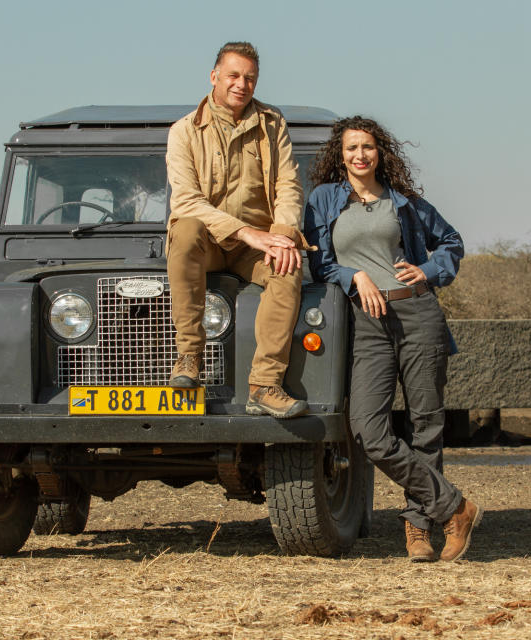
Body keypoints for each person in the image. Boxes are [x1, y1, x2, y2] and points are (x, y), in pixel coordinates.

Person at [303, 116, 482, 562]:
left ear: (380, 153)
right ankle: (454, 508)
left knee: (426, 425)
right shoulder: (324, 200)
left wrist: (429, 270)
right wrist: (352, 275)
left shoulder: (404, 203)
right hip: (367, 320)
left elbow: (452, 242)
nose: (359, 155)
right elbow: (320, 262)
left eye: (367, 147)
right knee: (367, 429)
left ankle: (419, 529)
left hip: (416, 311)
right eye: (351, 148)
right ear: (339, 155)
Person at [165, 41, 311, 419]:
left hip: (256, 245)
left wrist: (281, 234)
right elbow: (185, 201)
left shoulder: (273, 123)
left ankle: (265, 384)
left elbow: (288, 186)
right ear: (214, 76)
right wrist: (247, 232)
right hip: (210, 242)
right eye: (233, 75)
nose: (241, 84)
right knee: (184, 230)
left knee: (288, 265)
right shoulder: (183, 131)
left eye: (250, 78)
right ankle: (188, 358)